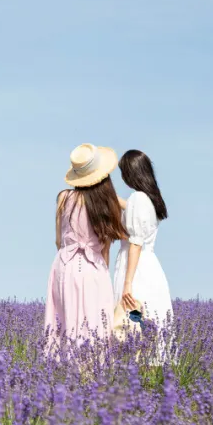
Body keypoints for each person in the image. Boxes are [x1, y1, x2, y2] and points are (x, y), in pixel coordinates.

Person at [45, 143, 128, 358]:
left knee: (64, 322)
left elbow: (58, 240)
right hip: (94, 267)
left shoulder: (63, 198)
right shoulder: (107, 203)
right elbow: (106, 247)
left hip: (65, 265)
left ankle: (63, 372)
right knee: (97, 324)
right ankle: (94, 377)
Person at [114, 149, 173, 364]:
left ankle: (136, 374)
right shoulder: (148, 198)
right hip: (148, 265)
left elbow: (135, 242)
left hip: (135, 267)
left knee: (131, 321)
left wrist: (128, 283)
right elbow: (132, 213)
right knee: (145, 323)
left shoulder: (137, 198)